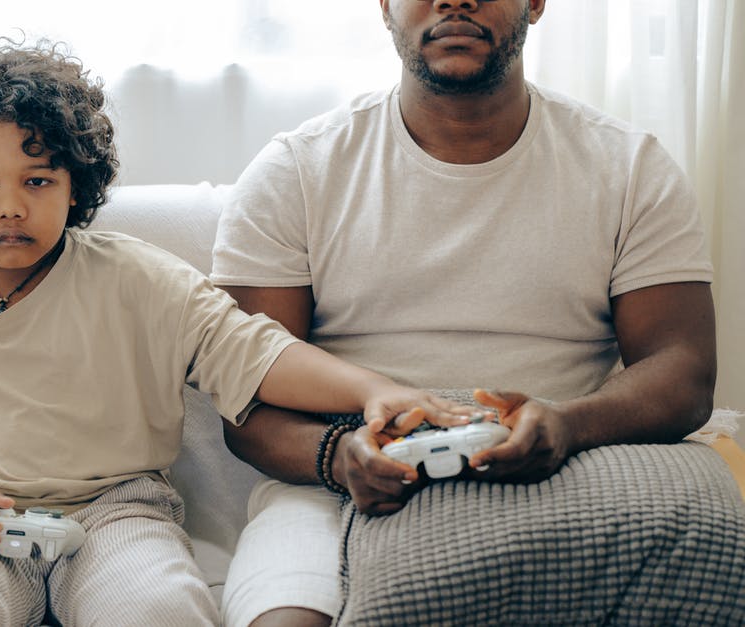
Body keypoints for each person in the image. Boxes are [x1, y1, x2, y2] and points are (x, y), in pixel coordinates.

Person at [0, 37, 476, 627]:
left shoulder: (139, 279)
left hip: (119, 513)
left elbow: (253, 353)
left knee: (159, 609)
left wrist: (372, 392)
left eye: (37, 181)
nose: (10, 206)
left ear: (75, 186)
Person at [213, 0, 742, 625]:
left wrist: (570, 425)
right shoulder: (294, 171)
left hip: (574, 459)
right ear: (383, 6)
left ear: (537, 3)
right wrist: (339, 455)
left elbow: (683, 369)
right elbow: (246, 402)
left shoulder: (629, 166)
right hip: (345, 481)